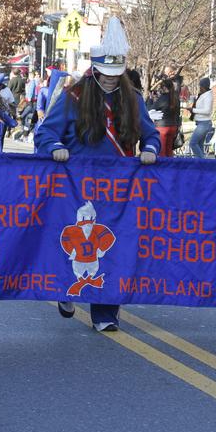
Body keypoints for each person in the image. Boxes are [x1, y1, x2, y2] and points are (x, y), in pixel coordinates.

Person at [33, 17, 160, 332]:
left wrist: (151, 149)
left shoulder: (132, 99)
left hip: (119, 188)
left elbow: (151, 134)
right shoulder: (74, 96)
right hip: (77, 184)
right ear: (94, 70)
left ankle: (105, 314)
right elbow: (45, 133)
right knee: (74, 241)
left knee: (112, 248)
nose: (110, 81)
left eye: (116, 77)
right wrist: (55, 147)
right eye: (105, 75)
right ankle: (64, 288)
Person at [149, 78, 181, 156]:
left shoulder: (163, 98)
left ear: (164, 88)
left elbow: (150, 109)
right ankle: (170, 166)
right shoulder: (176, 98)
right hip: (173, 126)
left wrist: (150, 99)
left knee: (162, 151)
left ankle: (162, 167)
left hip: (162, 127)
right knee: (169, 150)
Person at [188, 77, 213, 158]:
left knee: (193, 143)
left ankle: (203, 162)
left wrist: (193, 110)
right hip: (200, 123)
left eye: (200, 86)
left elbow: (207, 111)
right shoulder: (203, 95)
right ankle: (200, 164)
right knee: (199, 144)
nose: (199, 88)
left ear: (204, 86)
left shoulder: (208, 96)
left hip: (204, 123)